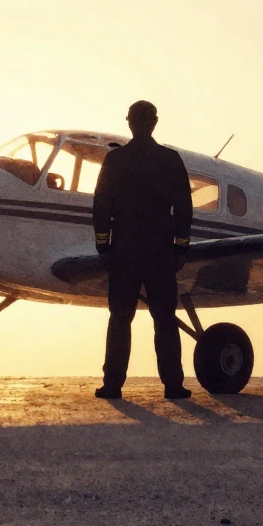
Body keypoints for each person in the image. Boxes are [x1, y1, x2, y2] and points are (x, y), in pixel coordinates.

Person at [92, 100, 193, 399]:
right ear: (155, 123)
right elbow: (184, 208)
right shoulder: (170, 160)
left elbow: (101, 205)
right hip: (161, 252)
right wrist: (181, 249)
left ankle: (112, 385)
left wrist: (104, 247)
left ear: (129, 122)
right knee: (164, 319)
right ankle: (173, 385)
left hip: (124, 250)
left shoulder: (115, 161)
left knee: (120, 318)